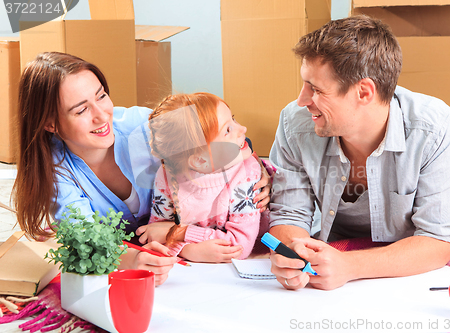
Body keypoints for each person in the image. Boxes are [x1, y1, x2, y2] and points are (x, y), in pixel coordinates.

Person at [12, 52, 271, 285]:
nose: (102, 115)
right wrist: (132, 260)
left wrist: (259, 173)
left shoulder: (142, 125)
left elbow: (218, 138)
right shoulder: (58, 175)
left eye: (101, 95)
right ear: (50, 124)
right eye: (81, 110)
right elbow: (86, 240)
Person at [268, 16, 450, 290]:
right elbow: (288, 215)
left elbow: (438, 239)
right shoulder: (294, 123)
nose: (302, 100)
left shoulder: (435, 129)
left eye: (316, 89)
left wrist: (349, 266)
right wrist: (293, 253)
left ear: (364, 92)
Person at [136, 93, 262, 261]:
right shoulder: (167, 175)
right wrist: (187, 250)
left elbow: (239, 246)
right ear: (200, 160)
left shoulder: (246, 172)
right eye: (228, 130)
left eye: (233, 119)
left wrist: (179, 232)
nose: (243, 129)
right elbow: (155, 234)